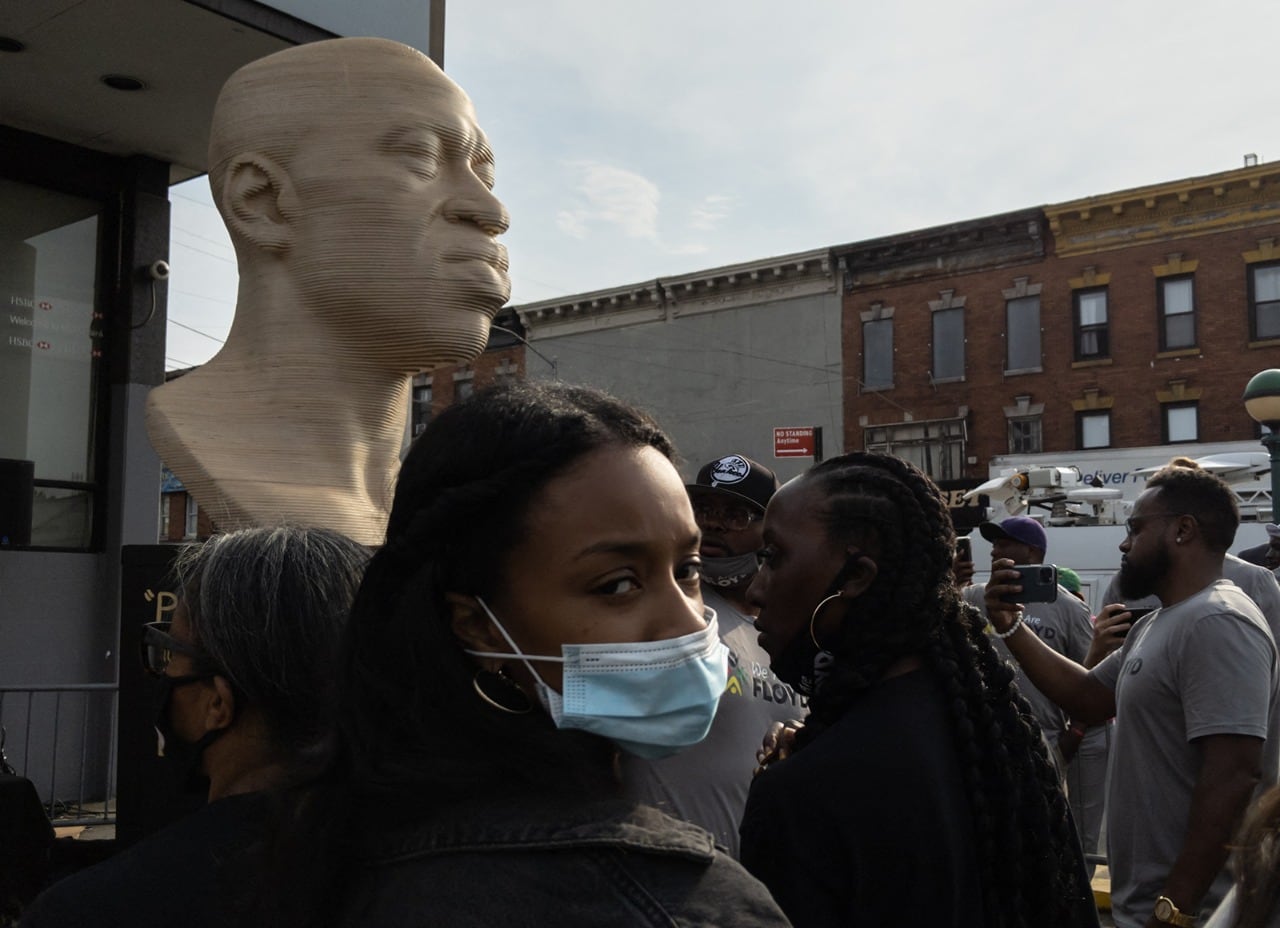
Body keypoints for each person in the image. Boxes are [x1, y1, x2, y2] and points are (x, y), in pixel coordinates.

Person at [261, 382, 790, 928]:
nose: (686, 621)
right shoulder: (691, 905)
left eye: (688, 570)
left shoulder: (322, 850)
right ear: (479, 627)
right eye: (616, 585)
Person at [146, 37, 511, 545]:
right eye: (422, 158)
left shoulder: (423, 510)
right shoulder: (214, 453)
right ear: (262, 201)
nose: (491, 212)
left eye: (485, 175)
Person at [739, 451, 1097, 928]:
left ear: (858, 577)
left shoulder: (798, 796)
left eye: (772, 557)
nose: (755, 590)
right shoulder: (1005, 743)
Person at [20, 526, 368, 927]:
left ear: (218, 703)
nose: (164, 674)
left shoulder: (93, 910)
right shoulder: (429, 869)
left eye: (170, 654)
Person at [985, 463, 1280, 928]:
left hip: (1188, 913)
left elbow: (1234, 773)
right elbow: (1086, 696)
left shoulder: (1218, 621)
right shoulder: (1159, 622)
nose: (1124, 543)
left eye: (1136, 529)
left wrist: (1175, 909)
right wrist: (1011, 625)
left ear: (1183, 531)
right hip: (1146, 905)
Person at [621, 453, 802, 857]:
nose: (715, 523)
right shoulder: (669, 612)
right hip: (667, 879)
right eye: (704, 509)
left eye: (737, 514)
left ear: (769, 533)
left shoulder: (788, 633)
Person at [960, 516, 1105, 867]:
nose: (996, 550)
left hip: (1050, 744)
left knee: (1059, 846)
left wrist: (1072, 737)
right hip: (989, 744)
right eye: (994, 543)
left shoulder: (1069, 607)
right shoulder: (977, 598)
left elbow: (1091, 677)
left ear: (1033, 551)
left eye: (1006, 542)